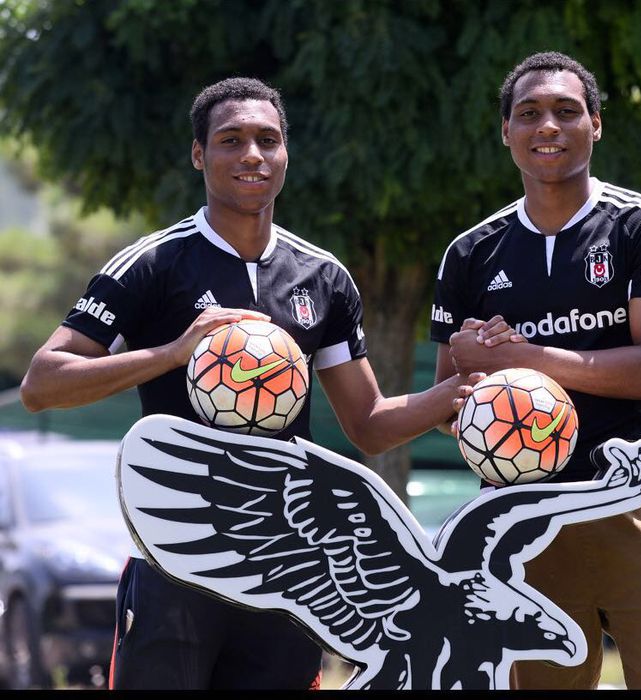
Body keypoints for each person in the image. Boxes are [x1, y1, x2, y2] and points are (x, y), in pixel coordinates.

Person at [20, 77, 463, 690]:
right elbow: (42, 384)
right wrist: (173, 353)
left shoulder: (323, 277)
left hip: (284, 568)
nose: (252, 155)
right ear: (198, 154)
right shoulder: (152, 264)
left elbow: (368, 424)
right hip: (176, 555)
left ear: (285, 153)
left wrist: (452, 394)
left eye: (267, 140)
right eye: (231, 140)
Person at [430, 52, 641, 690]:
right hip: (520, 516)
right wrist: (483, 395)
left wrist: (523, 358)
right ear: (505, 130)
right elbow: (448, 401)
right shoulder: (470, 252)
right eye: (529, 113)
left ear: (596, 124)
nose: (548, 126)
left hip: (634, 493)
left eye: (567, 111)